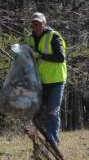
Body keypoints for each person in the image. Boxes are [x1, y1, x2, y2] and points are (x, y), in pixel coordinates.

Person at [27, 12, 67, 145]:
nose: (36, 26)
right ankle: (46, 140)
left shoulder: (54, 36)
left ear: (44, 23)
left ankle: (53, 143)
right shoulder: (30, 39)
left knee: (52, 111)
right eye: (34, 24)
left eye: (38, 23)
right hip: (39, 81)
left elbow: (60, 57)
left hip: (56, 80)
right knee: (40, 113)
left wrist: (41, 56)